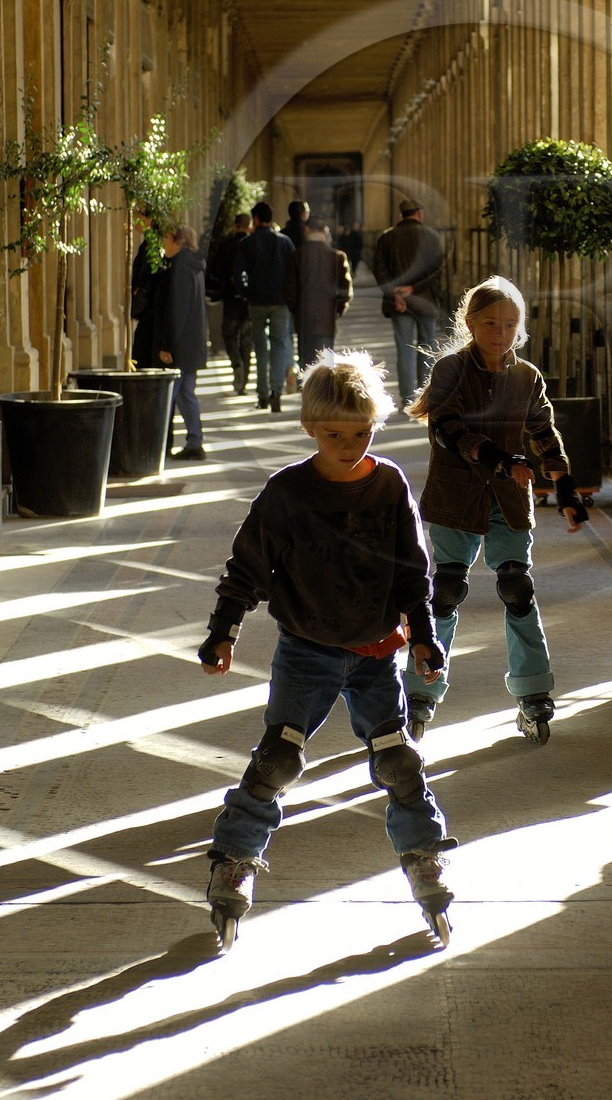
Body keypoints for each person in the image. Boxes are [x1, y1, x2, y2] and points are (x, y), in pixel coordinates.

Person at [196, 350, 455, 946]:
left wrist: (424, 635)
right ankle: (235, 859)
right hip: (306, 650)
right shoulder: (286, 493)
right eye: (335, 433)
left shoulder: (388, 485)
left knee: (398, 759)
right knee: (278, 759)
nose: (350, 444)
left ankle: (424, 853)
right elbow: (246, 569)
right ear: (311, 428)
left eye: (362, 432)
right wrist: (223, 631)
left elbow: (413, 570)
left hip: (373, 652)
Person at [404, 275, 588, 745]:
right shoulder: (450, 370)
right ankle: (419, 692)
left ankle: (533, 693)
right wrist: (501, 460)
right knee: (445, 592)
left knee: (516, 587)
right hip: (454, 496)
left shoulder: (527, 376)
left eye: (510, 324)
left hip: (506, 500)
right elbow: (448, 428)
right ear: (470, 322)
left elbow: (544, 432)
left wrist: (564, 486)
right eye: (490, 323)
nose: (500, 333)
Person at [372, 197, 444, 409]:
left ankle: (407, 398)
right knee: (427, 347)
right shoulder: (432, 237)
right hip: (425, 301)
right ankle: (425, 397)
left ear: (401, 215)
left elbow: (380, 270)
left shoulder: (387, 238)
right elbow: (436, 271)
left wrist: (396, 294)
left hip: (399, 304)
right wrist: (413, 289)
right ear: (419, 214)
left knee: (404, 350)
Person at [232, 200, 294, 413]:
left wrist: (247, 292)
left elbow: (238, 275)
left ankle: (262, 394)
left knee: (260, 348)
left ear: (256, 219)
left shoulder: (246, 244)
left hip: (257, 301)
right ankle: (276, 391)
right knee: (279, 344)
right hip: (280, 302)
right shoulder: (285, 242)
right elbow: (293, 272)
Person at [154, 224, 208, 461]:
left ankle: (160, 443)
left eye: (167, 239)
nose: (164, 244)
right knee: (185, 392)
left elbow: (178, 310)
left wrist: (167, 345)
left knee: (171, 395)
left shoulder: (180, 267)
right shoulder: (194, 266)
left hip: (182, 344)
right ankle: (194, 441)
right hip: (193, 341)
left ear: (179, 242)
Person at [284, 213, 353, 371]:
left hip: (304, 320)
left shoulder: (296, 256)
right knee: (326, 368)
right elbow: (346, 291)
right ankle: (324, 396)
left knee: (306, 366)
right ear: (325, 232)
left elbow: (289, 291)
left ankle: (307, 395)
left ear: (307, 231)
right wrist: (336, 311)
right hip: (327, 320)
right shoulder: (338, 257)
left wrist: (296, 310)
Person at [206, 211, 253, 394]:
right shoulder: (253, 245)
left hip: (230, 298)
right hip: (249, 300)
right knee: (247, 341)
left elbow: (215, 271)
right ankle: (244, 380)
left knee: (229, 335)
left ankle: (236, 364)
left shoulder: (226, 245)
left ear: (235, 226)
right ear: (249, 226)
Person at [129, 210, 159, 368]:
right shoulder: (148, 244)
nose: (135, 221)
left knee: (142, 356)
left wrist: (137, 306)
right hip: (147, 312)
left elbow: (147, 282)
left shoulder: (152, 246)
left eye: (138, 217)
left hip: (149, 313)